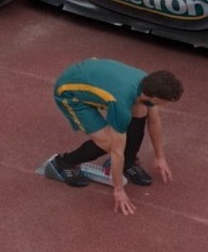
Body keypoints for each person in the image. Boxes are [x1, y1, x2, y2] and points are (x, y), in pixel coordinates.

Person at [43, 58, 184, 215]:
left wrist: (160, 157)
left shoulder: (147, 85)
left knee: (141, 109)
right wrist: (118, 190)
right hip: (69, 93)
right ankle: (61, 163)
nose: (166, 104)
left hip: (94, 78)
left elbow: (154, 121)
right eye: (166, 101)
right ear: (156, 98)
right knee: (109, 142)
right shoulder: (121, 104)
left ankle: (127, 163)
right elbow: (117, 150)